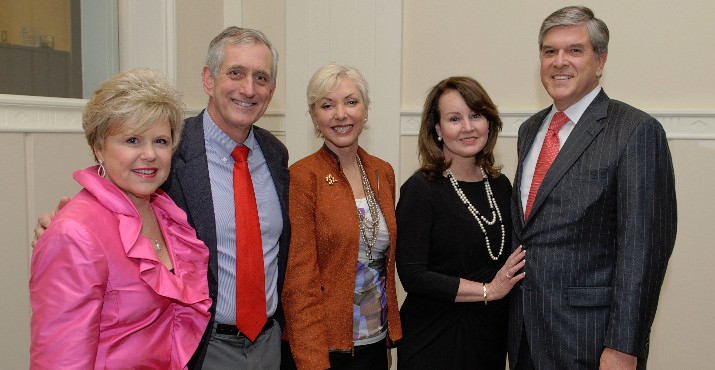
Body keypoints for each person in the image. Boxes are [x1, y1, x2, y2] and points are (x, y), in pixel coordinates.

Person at [33, 27, 292, 369]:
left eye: (261, 77)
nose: (248, 88)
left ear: (272, 90)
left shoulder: (275, 155)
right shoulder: (174, 149)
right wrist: (63, 228)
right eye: (235, 73)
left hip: (265, 344)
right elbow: (110, 193)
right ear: (208, 78)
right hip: (201, 346)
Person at [509, 6, 677, 370]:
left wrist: (623, 346)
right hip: (525, 336)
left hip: (591, 340)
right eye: (549, 51)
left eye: (574, 50)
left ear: (600, 61)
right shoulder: (529, 131)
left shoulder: (635, 131)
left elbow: (644, 249)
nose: (559, 61)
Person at [30, 68, 212, 369]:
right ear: (98, 148)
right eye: (132, 140)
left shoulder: (167, 215)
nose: (150, 154)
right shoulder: (74, 232)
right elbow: (60, 361)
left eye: (161, 142)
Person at [395, 76, 526, 369]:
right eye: (455, 118)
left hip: (489, 339)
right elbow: (413, 275)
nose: (468, 127)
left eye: (476, 115)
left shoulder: (501, 185)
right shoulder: (421, 189)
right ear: (438, 129)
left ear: (489, 123)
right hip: (435, 340)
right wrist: (488, 291)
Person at [281, 63, 402, 369]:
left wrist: (385, 341)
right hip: (324, 348)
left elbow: (382, 267)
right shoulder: (302, 176)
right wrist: (312, 360)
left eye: (351, 102)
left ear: (365, 108)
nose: (341, 114)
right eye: (327, 105)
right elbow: (299, 279)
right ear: (313, 116)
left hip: (374, 341)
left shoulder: (382, 172)